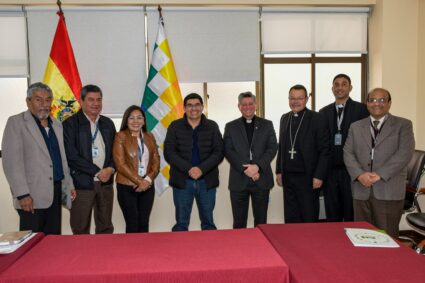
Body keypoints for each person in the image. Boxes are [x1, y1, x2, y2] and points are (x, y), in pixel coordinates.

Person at [2, 82, 76, 235]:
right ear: (28, 102)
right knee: (31, 241)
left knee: (53, 239)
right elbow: (12, 163)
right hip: (31, 197)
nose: (44, 104)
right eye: (38, 100)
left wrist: (69, 184)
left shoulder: (56, 124)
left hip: (55, 192)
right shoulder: (16, 123)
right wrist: (22, 194)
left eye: (48, 100)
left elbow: (62, 158)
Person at [344, 88, 414, 238]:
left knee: (386, 236)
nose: (377, 103)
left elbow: (404, 154)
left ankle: (389, 262)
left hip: (388, 189)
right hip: (361, 189)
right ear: (367, 103)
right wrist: (359, 174)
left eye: (382, 100)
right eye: (372, 100)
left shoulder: (403, 125)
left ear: (389, 103)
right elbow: (347, 153)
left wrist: (379, 175)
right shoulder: (355, 127)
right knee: (362, 235)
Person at [164, 93, 224, 231]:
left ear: (202, 107)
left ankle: (209, 252)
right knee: (181, 223)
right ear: (184, 108)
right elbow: (169, 153)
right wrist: (189, 169)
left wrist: (201, 169)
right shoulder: (175, 126)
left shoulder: (212, 126)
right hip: (182, 181)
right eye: (189, 105)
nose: (193, 108)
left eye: (197, 105)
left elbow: (219, 152)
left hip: (207, 181)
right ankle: (179, 251)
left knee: (208, 223)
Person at [63, 84, 116, 234]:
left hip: (105, 184)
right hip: (82, 184)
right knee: (80, 228)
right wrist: (97, 172)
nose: (96, 104)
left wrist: (110, 169)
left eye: (99, 100)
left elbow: (116, 152)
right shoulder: (70, 124)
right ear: (81, 101)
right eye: (91, 100)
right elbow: (71, 156)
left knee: (105, 226)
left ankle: (105, 257)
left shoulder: (108, 123)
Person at [276, 84, 330, 223]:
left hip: (308, 177)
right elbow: (281, 146)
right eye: (292, 98)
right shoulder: (284, 118)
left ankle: (309, 244)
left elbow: (325, 150)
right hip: (288, 176)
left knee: (308, 216)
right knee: (291, 216)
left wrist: (319, 175)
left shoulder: (317, 118)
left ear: (306, 99)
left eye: (299, 98)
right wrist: (278, 171)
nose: (295, 101)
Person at [319, 74, 369, 222]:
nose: (340, 87)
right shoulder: (323, 112)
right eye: (336, 85)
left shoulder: (362, 110)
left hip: (353, 172)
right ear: (332, 88)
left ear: (350, 87)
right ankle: (334, 243)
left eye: (344, 84)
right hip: (330, 171)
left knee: (351, 212)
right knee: (332, 212)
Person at [224, 91, 277, 228]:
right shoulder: (231, 126)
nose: (247, 107)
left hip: (261, 178)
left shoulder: (267, 124)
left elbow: (272, 148)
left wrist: (257, 167)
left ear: (256, 105)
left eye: (250, 104)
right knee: (239, 222)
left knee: (261, 222)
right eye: (244, 104)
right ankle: (239, 248)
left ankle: (261, 248)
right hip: (239, 179)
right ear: (239, 106)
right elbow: (228, 151)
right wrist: (245, 169)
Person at [113, 105, 160, 233]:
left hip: (148, 186)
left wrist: (148, 180)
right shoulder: (120, 136)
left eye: (139, 118)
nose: (135, 121)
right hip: (126, 186)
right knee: (132, 223)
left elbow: (156, 162)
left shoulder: (150, 136)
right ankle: (131, 252)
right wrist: (140, 182)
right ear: (126, 120)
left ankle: (144, 252)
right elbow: (120, 164)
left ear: (144, 121)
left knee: (144, 222)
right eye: (131, 118)